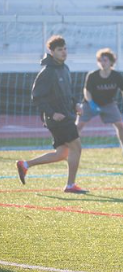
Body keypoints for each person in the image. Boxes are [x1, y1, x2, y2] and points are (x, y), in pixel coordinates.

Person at [16, 35, 87, 194]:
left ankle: (25, 165)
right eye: (60, 49)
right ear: (52, 52)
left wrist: (75, 104)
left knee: (62, 153)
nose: (64, 52)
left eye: (65, 49)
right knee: (76, 147)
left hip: (66, 116)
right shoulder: (47, 72)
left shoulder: (65, 68)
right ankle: (70, 185)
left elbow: (67, 93)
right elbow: (36, 97)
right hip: (58, 119)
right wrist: (52, 113)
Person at [76, 48, 123, 159]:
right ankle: (70, 150)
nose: (102, 63)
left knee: (120, 125)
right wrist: (91, 103)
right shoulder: (92, 75)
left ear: (111, 61)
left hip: (108, 104)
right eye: (100, 60)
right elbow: (86, 91)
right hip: (90, 103)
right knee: (78, 126)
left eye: (105, 60)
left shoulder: (116, 76)